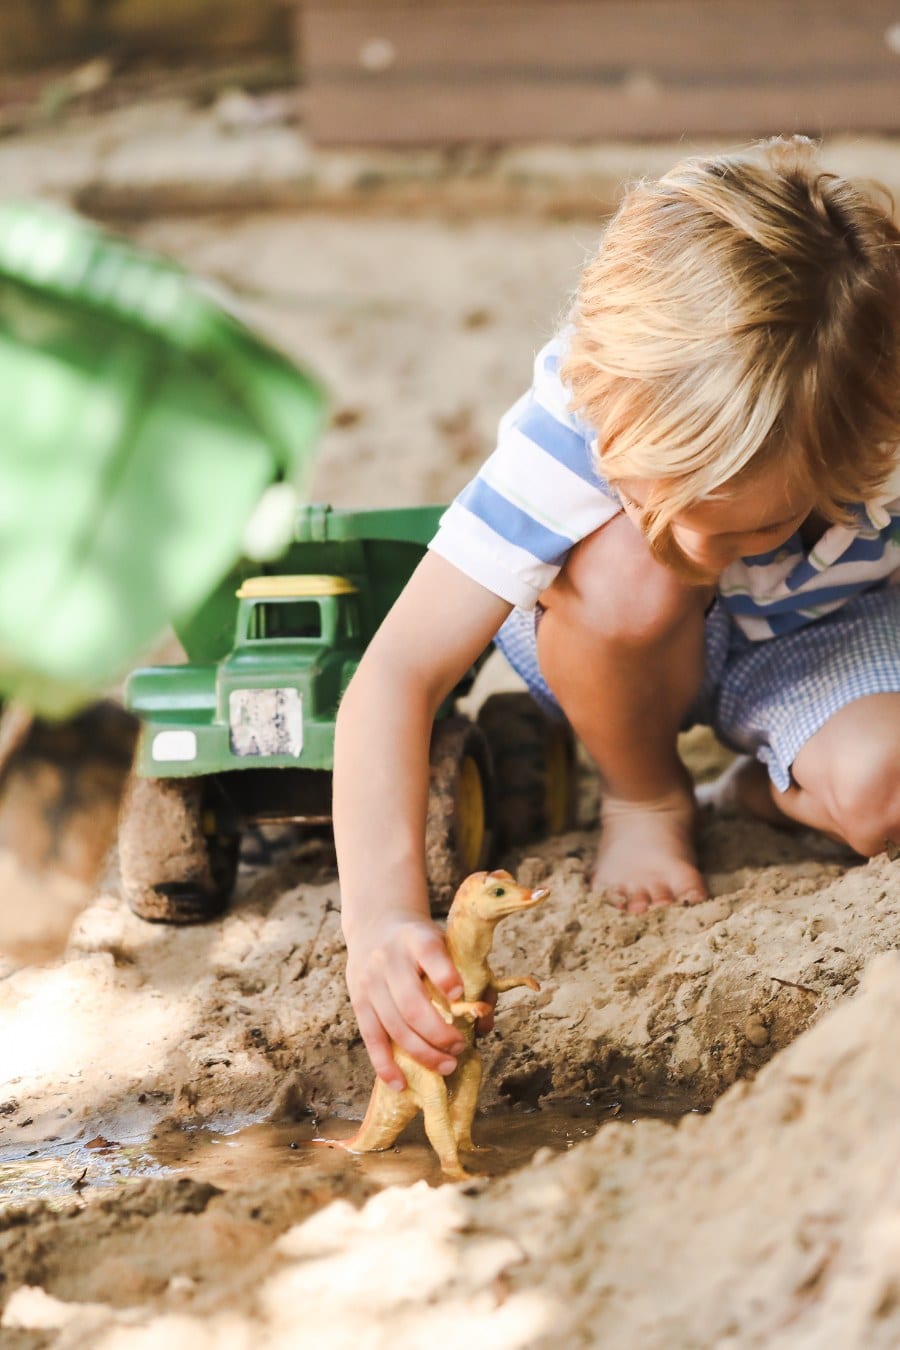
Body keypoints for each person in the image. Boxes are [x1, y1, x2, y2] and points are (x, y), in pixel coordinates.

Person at [333, 137, 900, 1091]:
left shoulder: (868, 432)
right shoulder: (590, 408)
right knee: (640, 575)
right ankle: (646, 795)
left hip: (817, 639)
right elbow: (397, 673)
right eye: (652, 499)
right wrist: (382, 922)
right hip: (609, 643)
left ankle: (756, 789)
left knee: (884, 787)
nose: (698, 552)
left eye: (748, 525)